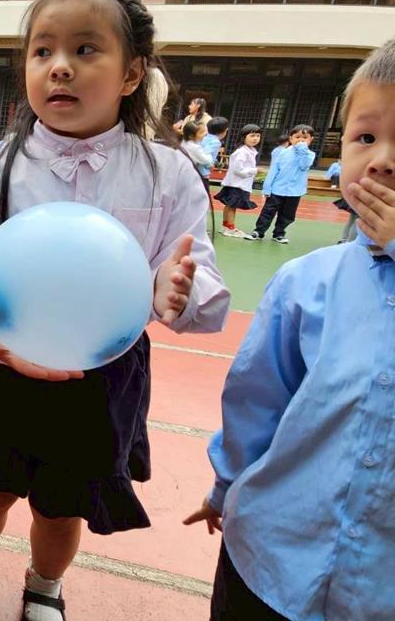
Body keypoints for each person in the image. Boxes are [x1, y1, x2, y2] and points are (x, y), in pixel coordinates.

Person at [0, 0, 229, 621]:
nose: (59, 66)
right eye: (43, 51)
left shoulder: (167, 173)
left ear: (132, 74)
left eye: (85, 49)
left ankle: (45, 584)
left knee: (61, 505)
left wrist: (175, 290)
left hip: (100, 377)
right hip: (2, 365)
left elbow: (201, 289)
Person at [184, 38, 395, 621]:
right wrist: (225, 488)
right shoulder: (306, 282)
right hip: (270, 559)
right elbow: (257, 401)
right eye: (365, 137)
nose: (381, 160)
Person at [245, 125, 315, 244]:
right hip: (277, 189)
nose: (300, 140)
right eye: (297, 137)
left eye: (305, 138)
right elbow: (274, 170)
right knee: (268, 211)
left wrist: (303, 150)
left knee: (288, 214)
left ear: (311, 139)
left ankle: (279, 233)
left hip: (295, 191)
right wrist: (267, 188)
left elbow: (304, 166)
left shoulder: (309, 154)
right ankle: (258, 231)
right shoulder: (282, 153)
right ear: (291, 139)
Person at [214, 124, 261, 238]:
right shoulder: (242, 152)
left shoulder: (250, 151)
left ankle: (226, 226)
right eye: (252, 136)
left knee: (230, 205)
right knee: (232, 206)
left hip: (237, 184)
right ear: (243, 137)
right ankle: (230, 228)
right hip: (237, 185)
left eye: (258, 136)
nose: (255, 138)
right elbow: (238, 170)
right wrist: (255, 170)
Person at [181, 120, 214, 190]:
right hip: (190, 176)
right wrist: (210, 156)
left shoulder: (183, 143)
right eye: (202, 132)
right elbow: (207, 161)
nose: (205, 134)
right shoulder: (194, 147)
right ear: (191, 136)